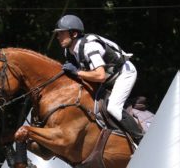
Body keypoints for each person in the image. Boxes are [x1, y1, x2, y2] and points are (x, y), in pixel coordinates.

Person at [53, 14, 143, 143]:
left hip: (124, 74)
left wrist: (77, 72)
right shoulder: (69, 51)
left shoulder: (89, 46)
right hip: (107, 78)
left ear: (73, 34)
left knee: (113, 107)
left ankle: (141, 139)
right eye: (58, 34)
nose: (58, 37)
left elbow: (99, 75)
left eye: (62, 33)